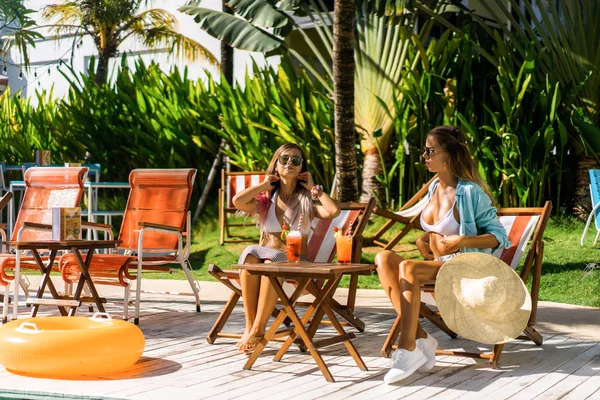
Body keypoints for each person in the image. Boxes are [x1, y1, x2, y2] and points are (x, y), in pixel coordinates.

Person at [375, 126, 510, 384]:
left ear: (447, 154)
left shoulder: (470, 192)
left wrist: (463, 240)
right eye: (424, 151)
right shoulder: (433, 188)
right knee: (383, 258)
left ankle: (407, 347)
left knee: (410, 269)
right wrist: (423, 238)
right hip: (438, 265)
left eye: (430, 151)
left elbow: (500, 237)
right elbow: (436, 229)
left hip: (464, 268)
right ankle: (422, 338)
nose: (424, 156)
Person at [232, 143, 340, 354]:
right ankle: (250, 327)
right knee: (251, 257)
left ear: (302, 169)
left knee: (270, 263)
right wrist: (264, 185)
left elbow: (333, 211)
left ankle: (259, 329)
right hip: (266, 264)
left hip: (295, 266)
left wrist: (313, 189)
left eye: (296, 160)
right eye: (284, 159)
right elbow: (238, 201)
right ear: (276, 164)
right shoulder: (266, 200)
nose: (289, 163)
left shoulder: (308, 201)